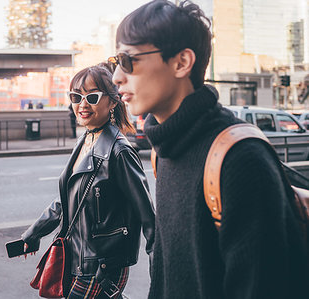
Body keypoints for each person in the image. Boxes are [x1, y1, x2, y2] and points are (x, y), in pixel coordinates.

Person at [110, 1, 308, 299]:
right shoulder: (164, 148)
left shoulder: (239, 158)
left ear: (181, 62)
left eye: (128, 61)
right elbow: (166, 274)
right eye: (115, 61)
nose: (116, 77)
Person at [22, 65, 155, 298]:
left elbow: (148, 217)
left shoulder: (119, 151)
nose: (82, 105)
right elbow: (67, 199)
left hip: (103, 264)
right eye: (75, 96)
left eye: (92, 97)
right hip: (78, 258)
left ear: (113, 102)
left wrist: (161, 277)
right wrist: (33, 233)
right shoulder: (85, 140)